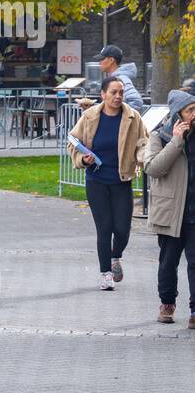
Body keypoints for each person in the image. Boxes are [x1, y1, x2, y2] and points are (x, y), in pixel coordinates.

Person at [68, 74, 146, 290]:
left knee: (122, 228)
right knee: (105, 228)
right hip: (96, 180)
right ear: (103, 94)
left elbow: (143, 142)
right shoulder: (90, 116)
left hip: (122, 180)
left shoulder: (133, 117)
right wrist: (83, 158)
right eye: (113, 92)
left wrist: (141, 157)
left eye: (121, 92)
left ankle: (115, 256)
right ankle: (105, 274)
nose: (118, 96)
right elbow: (73, 141)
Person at [142, 89, 195, 323]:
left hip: (194, 211)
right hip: (171, 212)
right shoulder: (159, 137)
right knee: (168, 263)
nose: (194, 114)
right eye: (190, 110)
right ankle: (167, 304)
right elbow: (153, 168)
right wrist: (176, 141)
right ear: (178, 115)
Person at [77, 43, 144, 111]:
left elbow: (136, 102)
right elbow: (111, 107)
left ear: (111, 60)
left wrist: (120, 117)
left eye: (102, 59)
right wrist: (93, 107)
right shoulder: (116, 78)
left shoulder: (121, 79)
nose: (100, 62)